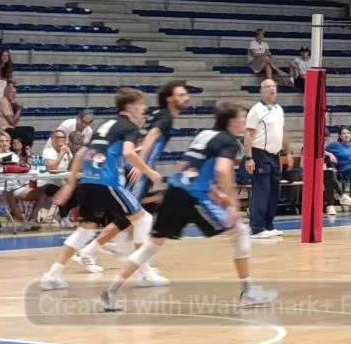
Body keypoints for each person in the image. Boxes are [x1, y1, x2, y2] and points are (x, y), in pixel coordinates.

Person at [99, 103, 277, 311]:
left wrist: (218, 196)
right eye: (242, 118)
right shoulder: (228, 141)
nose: (245, 122)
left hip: (173, 192)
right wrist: (233, 203)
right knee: (241, 231)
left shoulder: (204, 135)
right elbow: (222, 171)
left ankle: (110, 293)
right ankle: (248, 293)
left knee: (151, 246)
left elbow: (188, 168)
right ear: (232, 121)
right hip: (193, 197)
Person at [39, 88, 164, 291]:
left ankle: (52, 275)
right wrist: (149, 172)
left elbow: (81, 154)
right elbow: (129, 153)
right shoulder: (129, 127)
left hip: (88, 183)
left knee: (84, 231)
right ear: (130, 106)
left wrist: (71, 185)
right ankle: (144, 273)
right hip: (107, 182)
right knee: (144, 219)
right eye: (141, 104)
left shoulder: (105, 125)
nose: (144, 109)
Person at [72, 81, 189, 281]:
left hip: (136, 166)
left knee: (133, 215)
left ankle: (97, 249)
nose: (186, 97)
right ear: (170, 99)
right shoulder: (166, 117)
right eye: (182, 94)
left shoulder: (158, 114)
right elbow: (151, 135)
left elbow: (143, 135)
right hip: (138, 168)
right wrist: (141, 164)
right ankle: (138, 267)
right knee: (136, 216)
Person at [245, 79, 285, 239]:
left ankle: (269, 224)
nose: (271, 89)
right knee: (262, 190)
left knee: (274, 191)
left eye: (273, 86)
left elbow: (281, 132)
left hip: (275, 155)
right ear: (261, 91)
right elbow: (248, 134)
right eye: (267, 86)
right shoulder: (256, 110)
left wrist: (288, 152)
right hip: (260, 154)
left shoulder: (279, 109)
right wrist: (249, 157)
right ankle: (257, 228)